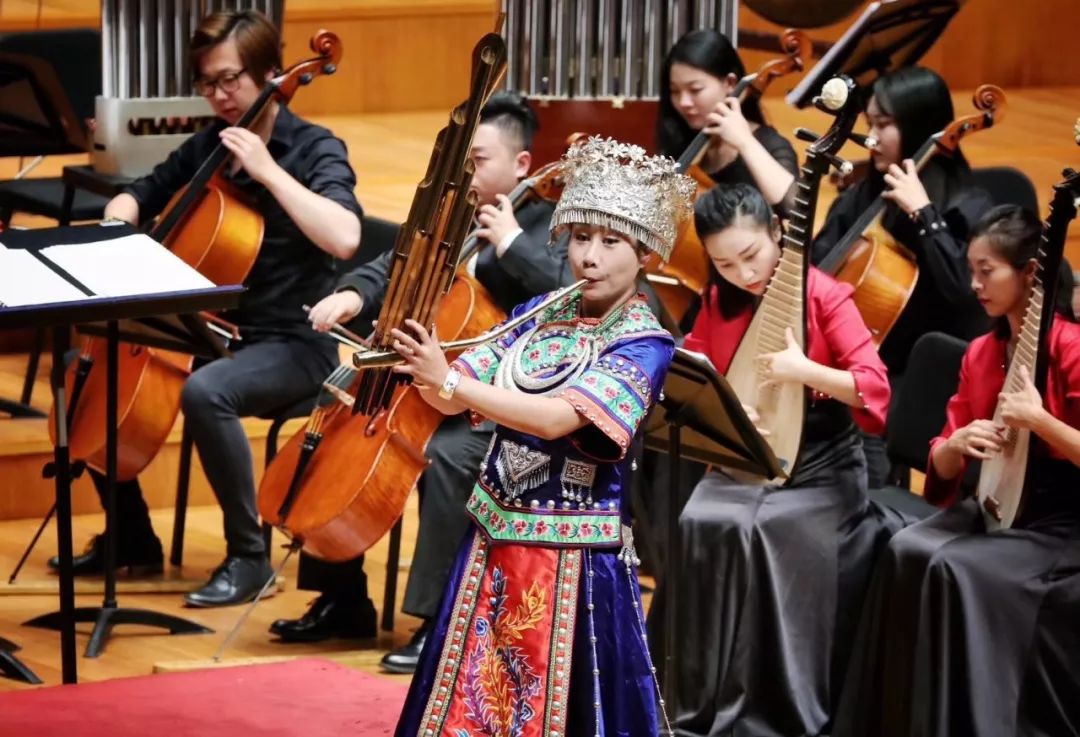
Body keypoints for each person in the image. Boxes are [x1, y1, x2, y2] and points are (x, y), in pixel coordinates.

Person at [50, 10, 365, 610]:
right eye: (208, 83)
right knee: (85, 368)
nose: (220, 96)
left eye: (231, 80)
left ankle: (249, 557)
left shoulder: (315, 148)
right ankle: (131, 537)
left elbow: (345, 237)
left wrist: (270, 172)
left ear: (271, 74)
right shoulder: (209, 147)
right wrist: (120, 215)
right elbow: (141, 191)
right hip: (209, 333)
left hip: (292, 343)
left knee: (206, 393)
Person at [391, 136, 693, 737]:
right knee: (470, 697)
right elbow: (455, 389)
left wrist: (447, 381)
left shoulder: (644, 341)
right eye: (582, 238)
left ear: (646, 256)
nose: (590, 257)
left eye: (611, 243)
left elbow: (557, 417)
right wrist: (425, 368)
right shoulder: (540, 308)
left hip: (575, 559)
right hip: (493, 536)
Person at [272, 93, 573, 658]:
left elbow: (563, 293)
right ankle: (343, 599)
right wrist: (351, 293)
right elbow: (394, 264)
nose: (466, 173)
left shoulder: (551, 223)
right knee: (338, 415)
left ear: (522, 165)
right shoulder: (448, 215)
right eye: (461, 161)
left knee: (452, 456)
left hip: (498, 396)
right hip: (422, 380)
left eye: (478, 160)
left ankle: (440, 620)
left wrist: (510, 242)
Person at [833, 205, 1080, 737]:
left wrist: (1041, 420)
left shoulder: (1072, 348)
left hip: (1063, 518)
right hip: (997, 502)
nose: (974, 285)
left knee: (956, 570)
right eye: (972, 270)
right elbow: (943, 458)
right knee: (905, 548)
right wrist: (956, 445)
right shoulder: (980, 353)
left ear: (1030, 274)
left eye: (986, 270)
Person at [657, 183, 894, 737]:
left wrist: (803, 370)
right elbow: (700, 370)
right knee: (702, 520)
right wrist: (728, 410)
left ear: (778, 234)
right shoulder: (721, 299)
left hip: (823, 464)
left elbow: (873, 388)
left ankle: (772, 715)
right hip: (750, 458)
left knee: (770, 532)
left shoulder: (825, 295)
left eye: (751, 255)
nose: (741, 273)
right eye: (724, 263)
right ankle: (693, 701)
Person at [811, 66, 994, 487]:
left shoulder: (967, 205)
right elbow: (816, 270)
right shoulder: (863, 194)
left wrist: (923, 215)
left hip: (921, 378)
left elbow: (966, 295)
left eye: (885, 124)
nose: (871, 137)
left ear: (920, 127)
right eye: (870, 123)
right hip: (857, 369)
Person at [657, 28, 798, 211]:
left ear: (730, 83)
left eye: (695, 89)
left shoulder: (770, 144)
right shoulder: (681, 143)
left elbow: (793, 208)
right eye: (675, 91)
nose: (683, 102)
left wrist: (745, 142)